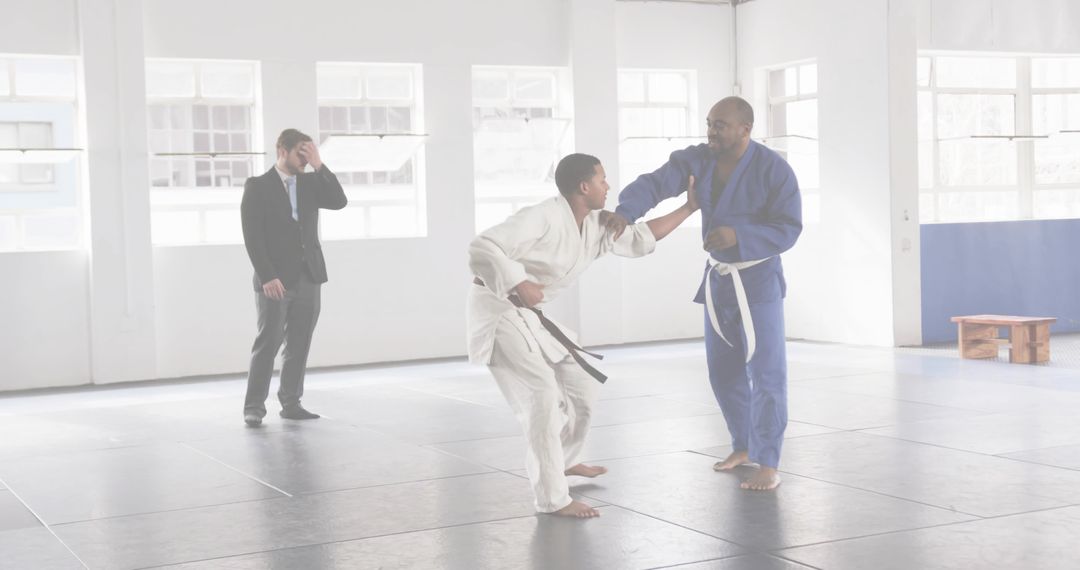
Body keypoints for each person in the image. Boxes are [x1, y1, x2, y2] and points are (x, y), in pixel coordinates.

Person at [468, 153, 699, 518]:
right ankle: (552, 498)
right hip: (498, 312)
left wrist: (689, 207)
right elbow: (482, 247)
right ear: (584, 186)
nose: (609, 186)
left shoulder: (594, 224)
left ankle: (564, 460)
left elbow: (640, 237)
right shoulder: (542, 216)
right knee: (541, 396)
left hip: (531, 315)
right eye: (603, 179)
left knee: (583, 389)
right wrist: (518, 281)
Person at [602, 96, 802, 491]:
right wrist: (626, 212)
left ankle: (768, 461)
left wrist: (739, 236)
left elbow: (789, 228)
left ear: (745, 129)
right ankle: (743, 445)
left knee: (766, 373)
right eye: (710, 123)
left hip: (757, 280)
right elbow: (655, 183)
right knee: (722, 370)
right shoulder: (697, 160)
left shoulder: (773, 169)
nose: (711, 131)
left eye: (721, 125)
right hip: (718, 281)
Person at [240, 128, 347, 427]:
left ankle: (291, 402)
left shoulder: (311, 182)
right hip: (275, 280)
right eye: (301, 152)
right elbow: (253, 237)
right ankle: (254, 407)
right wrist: (267, 276)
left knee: (299, 343)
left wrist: (319, 165)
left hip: (309, 276)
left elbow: (339, 201)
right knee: (269, 342)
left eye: (308, 152)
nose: (305, 158)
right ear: (281, 151)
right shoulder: (258, 186)